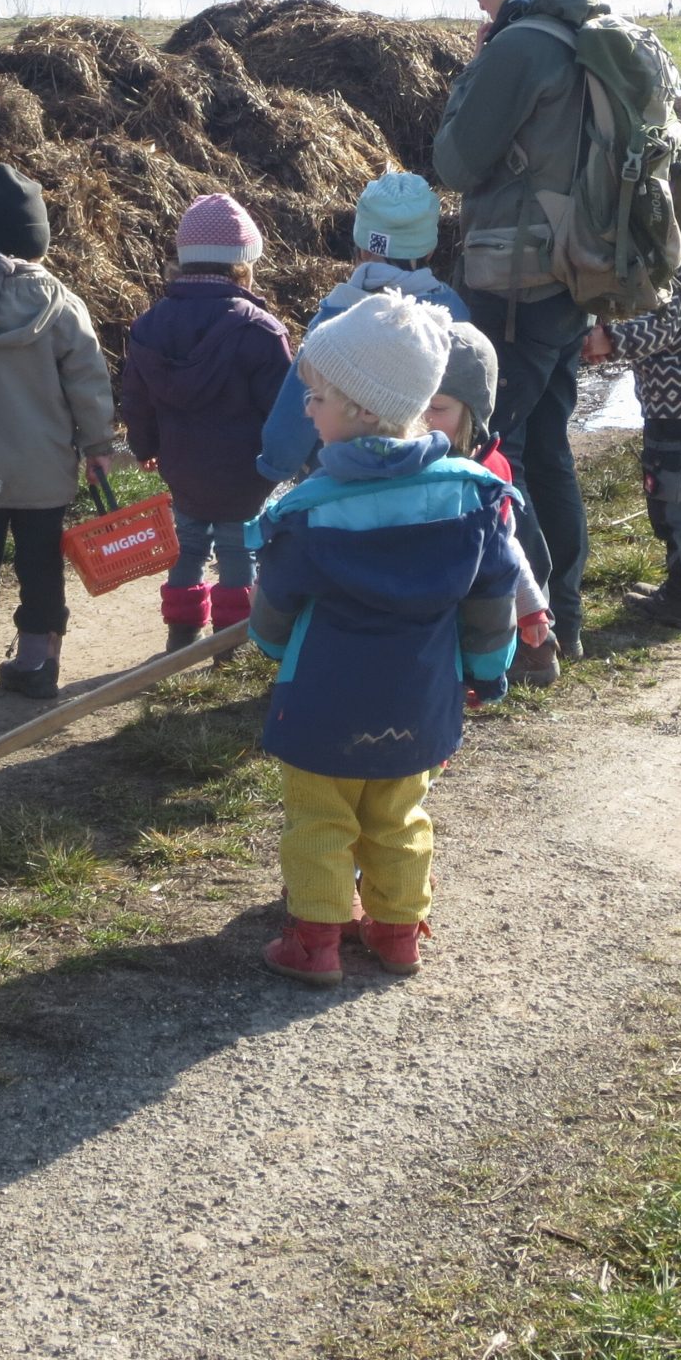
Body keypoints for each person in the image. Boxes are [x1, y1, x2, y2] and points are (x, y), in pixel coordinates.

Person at [248, 291, 525, 984]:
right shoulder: (471, 498)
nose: (307, 411)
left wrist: (273, 649)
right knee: (400, 816)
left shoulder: (308, 513)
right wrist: (489, 671)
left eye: (317, 399)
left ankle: (316, 940)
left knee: (319, 820)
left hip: (323, 701)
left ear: (361, 410)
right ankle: (398, 931)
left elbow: (276, 607)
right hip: (421, 701)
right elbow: (494, 600)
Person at [431, 0, 596, 662]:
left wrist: (473, 78)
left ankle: (534, 639)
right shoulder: (585, 31)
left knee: (503, 452)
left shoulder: (519, 46)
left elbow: (457, 163)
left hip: (513, 278)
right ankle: (567, 614)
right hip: (575, 270)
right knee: (549, 448)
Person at [0, 162, 123, 702]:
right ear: (38, 239)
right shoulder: (61, 305)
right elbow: (88, 381)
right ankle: (37, 663)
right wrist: (98, 445)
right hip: (40, 468)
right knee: (39, 565)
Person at [117, 193, 293, 650]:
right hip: (243, 471)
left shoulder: (149, 326)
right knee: (239, 550)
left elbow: (135, 399)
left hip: (182, 464)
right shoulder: (260, 330)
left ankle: (181, 634)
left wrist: (145, 446)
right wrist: (283, 459)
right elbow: (281, 407)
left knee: (188, 544)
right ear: (243, 263)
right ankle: (230, 643)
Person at [584, 154, 681, 634]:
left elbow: (662, 328)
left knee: (675, 507)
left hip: (676, 411)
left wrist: (611, 340)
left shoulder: (679, 272)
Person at [256, 173, 466, 484]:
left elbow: (294, 415)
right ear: (431, 250)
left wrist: (275, 464)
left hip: (338, 487)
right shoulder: (455, 314)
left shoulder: (339, 318)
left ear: (363, 250)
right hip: (430, 484)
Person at [422, 321, 558, 683]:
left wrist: (530, 608)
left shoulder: (492, 472)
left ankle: (527, 652)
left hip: (476, 600)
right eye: (416, 402)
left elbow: (508, 546)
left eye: (437, 406)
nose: (423, 418)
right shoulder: (405, 466)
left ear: (474, 414)